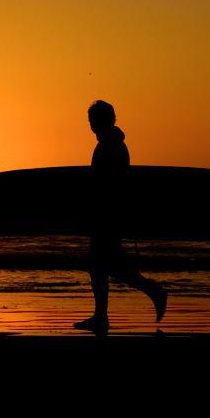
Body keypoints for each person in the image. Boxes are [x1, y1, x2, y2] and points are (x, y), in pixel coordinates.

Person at [74, 100, 167, 334]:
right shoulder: (111, 143)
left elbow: (109, 184)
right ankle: (104, 315)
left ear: (104, 120)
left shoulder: (111, 145)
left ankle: (150, 293)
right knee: (104, 267)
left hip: (108, 216)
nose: (90, 125)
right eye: (90, 121)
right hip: (109, 215)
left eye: (93, 120)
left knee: (101, 266)